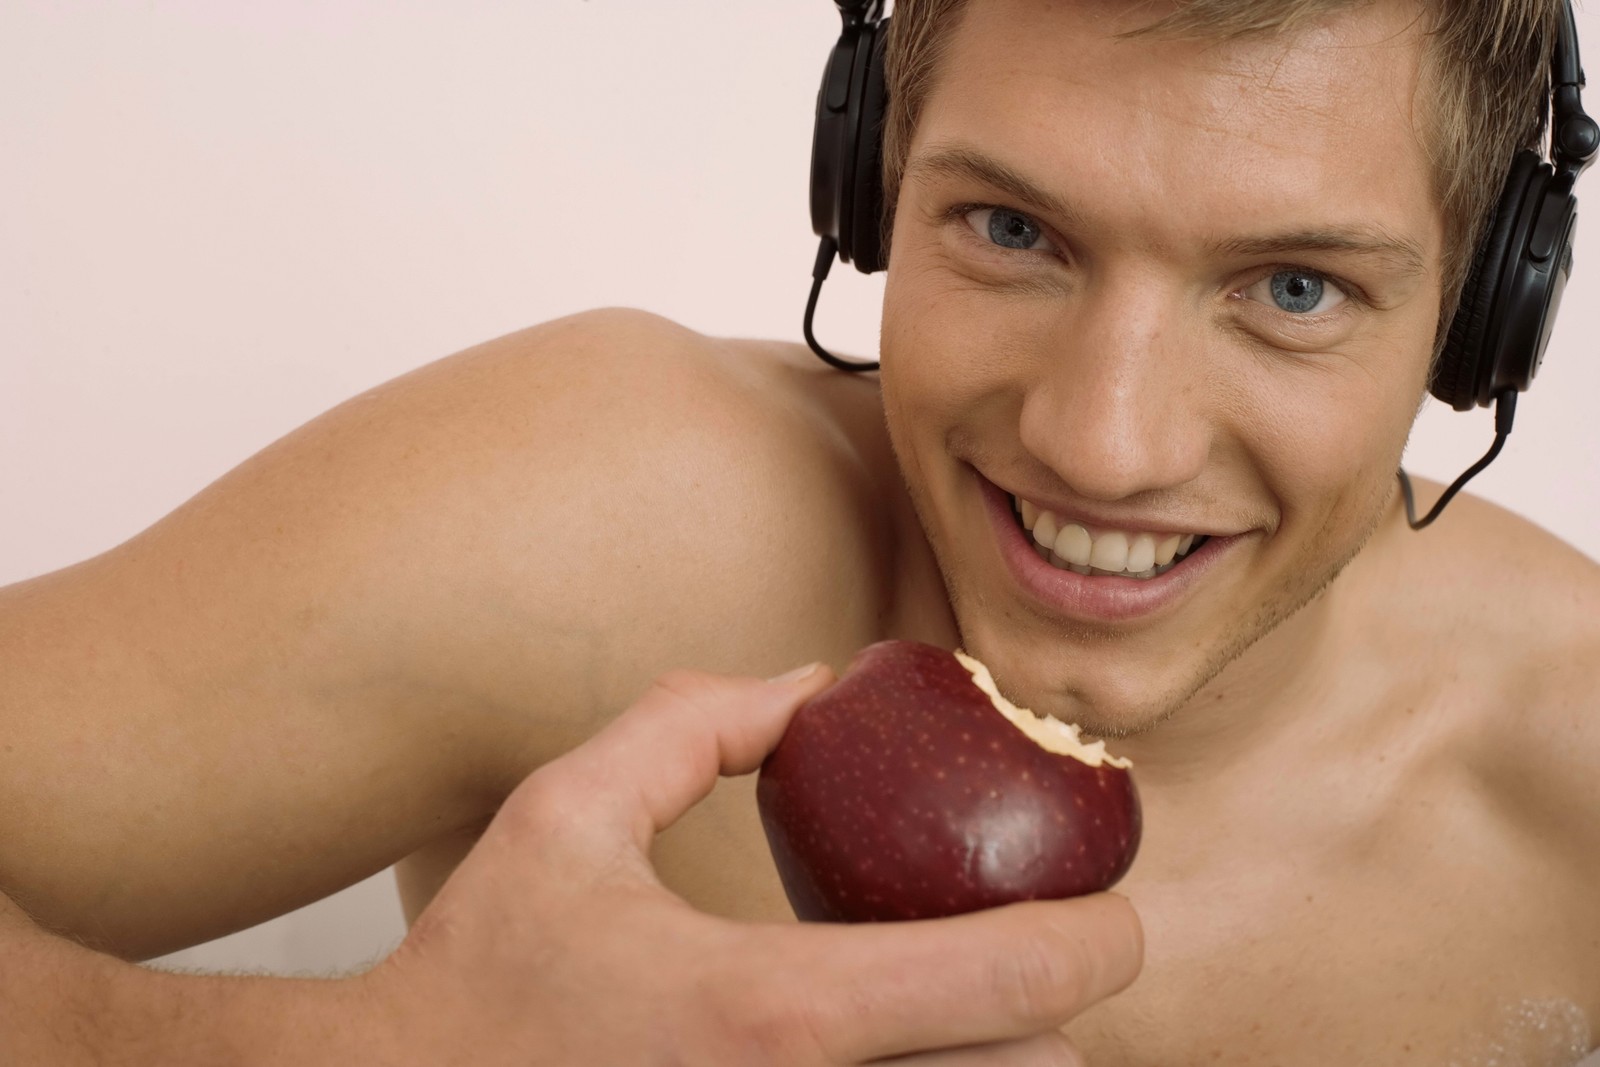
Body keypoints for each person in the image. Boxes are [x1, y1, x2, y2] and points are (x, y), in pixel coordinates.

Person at [2, 0, 1598, 1063]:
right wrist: (364, 1053)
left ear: (1477, 321)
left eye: (1294, 288)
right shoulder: (612, 521)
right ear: (871, 187)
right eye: (1012, 230)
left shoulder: (1575, 786)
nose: (1103, 440)